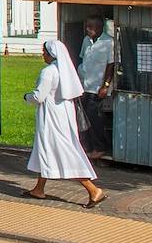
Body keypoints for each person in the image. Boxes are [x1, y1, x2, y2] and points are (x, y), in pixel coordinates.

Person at [24, 40, 106, 208]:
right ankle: (39, 188)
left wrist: (27, 97)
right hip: (64, 116)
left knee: (64, 152)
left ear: (51, 54)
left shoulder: (48, 72)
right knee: (47, 150)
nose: (43, 54)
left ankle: (93, 190)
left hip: (51, 118)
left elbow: (39, 96)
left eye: (44, 51)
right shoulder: (65, 70)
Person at [76, 16, 115, 158]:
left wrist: (105, 85)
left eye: (90, 27)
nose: (88, 30)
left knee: (94, 117)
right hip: (85, 84)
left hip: (97, 87)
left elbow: (111, 65)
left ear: (99, 28)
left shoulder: (108, 42)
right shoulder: (86, 41)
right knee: (83, 117)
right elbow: (82, 59)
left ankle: (100, 146)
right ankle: (87, 146)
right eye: (87, 26)